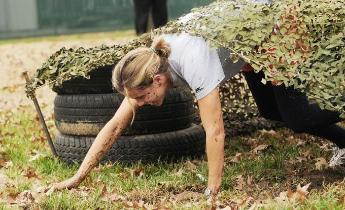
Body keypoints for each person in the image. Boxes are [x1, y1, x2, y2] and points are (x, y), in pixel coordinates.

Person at [49, 32, 345, 196]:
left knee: (300, 117)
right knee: (271, 110)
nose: (137, 105)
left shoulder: (191, 62)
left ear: (157, 81)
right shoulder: (151, 63)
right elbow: (114, 127)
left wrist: (211, 193)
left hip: (274, 37)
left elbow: (215, 131)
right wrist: (77, 177)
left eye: (139, 98)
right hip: (251, 53)